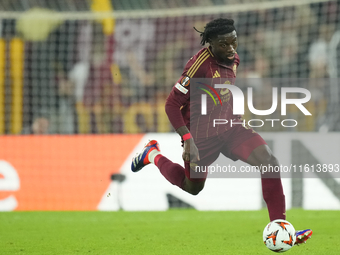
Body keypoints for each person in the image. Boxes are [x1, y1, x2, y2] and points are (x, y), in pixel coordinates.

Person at [131, 18, 312, 245]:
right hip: (201, 135)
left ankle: (282, 230)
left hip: (230, 127)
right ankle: (152, 155)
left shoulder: (234, 57)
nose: (231, 49)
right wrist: (187, 139)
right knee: (192, 187)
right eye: (224, 45)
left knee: (270, 162)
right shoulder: (198, 66)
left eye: (233, 42)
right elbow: (171, 104)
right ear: (211, 44)